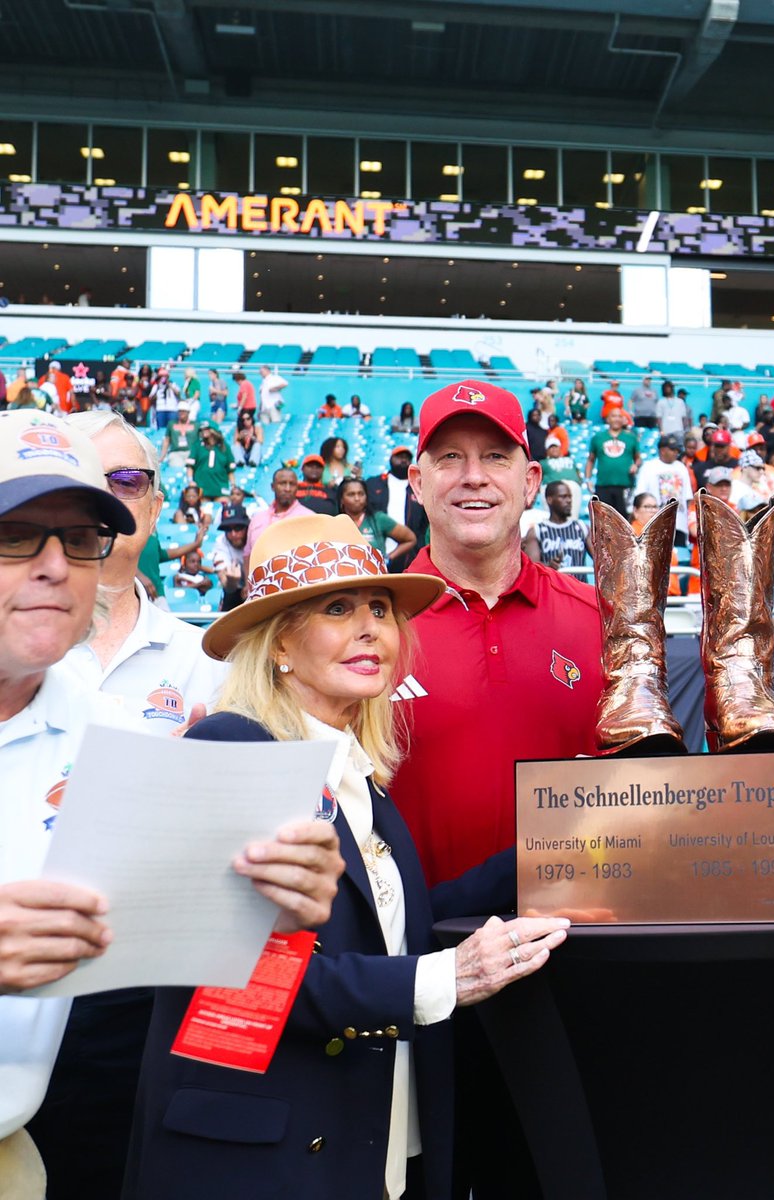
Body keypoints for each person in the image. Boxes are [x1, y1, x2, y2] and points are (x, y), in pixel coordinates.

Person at [122, 513, 569, 1200]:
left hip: (369, 1150)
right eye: (338, 609)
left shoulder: (361, 779)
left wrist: (550, 852)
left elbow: (389, 932)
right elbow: (237, 976)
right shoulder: (227, 747)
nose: (370, 629)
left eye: (381, 609)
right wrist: (444, 978)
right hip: (264, 1166)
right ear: (279, 643)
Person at [0, 410, 340, 1194]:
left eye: (79, 538)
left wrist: (274, 898)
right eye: (16, 535)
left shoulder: (116, 736)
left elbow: (181, 931)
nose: (55, 565)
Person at [390, 379, 602, 1199]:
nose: (473, 476)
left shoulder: (597, 618)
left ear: (531, 479)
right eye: (449, 458)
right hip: (414, 978)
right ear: (416, 482)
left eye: (495, 457)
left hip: (564, 979)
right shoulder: (369, 624)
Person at [366, 445, 429, 573]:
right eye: (399, 457)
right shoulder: (374, 483)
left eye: (407, 457)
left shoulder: (419, 487)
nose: (403, 460)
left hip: (411, 552)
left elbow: (425, 521)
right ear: (390, 459)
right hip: (379, 551)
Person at [337, 477, 417, 565]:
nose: (357, 498)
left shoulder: (378, 519)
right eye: (351, 494)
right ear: (341, 499)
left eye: (361, 494)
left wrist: (388, 559)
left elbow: (410, 539)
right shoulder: (335, 523)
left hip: (376, 572)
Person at [633, 434, 693, 550]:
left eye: (677, 450)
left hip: (679, 524)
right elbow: (640, 496)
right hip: (656, 524)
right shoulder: (649, 467)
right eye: (673, 450)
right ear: (662, 450)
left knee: (679, 555)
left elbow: (688, 498)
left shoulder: (681, 467)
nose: (676, 453)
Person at [522, 480, 591, 571]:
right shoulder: (537, 531)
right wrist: (548, 566)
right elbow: (531, 568)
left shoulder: (582, 528)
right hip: (551, 580)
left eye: (570, 497)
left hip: (578, 580)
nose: (569, 500)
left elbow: (602, 560)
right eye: (563, 497)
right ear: (549, 500)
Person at [586, 406, 640, 520]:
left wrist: (636, 465)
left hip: (625, 485)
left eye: (619, 416)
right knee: (603, 520)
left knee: (624, 520)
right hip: (603, 485)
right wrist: (588, 479)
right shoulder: (598, 438)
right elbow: (591, 460)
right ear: (608, 419)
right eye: (613, 416)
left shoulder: (631, 438)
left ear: (623, 419)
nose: (616, 419)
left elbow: (638, 458)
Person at [246, 467, 316, 555]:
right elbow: (247, 554)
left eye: (292, 484)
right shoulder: (257, 520)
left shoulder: (309, 518)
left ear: (297, 488)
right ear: (273, 487)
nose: (287, 489)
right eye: (282, 483)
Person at [211, 502, 249, 611]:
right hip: (234, 594)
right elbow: (227, 585)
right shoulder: (221, 543)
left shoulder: (255, 536)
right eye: (228, 529)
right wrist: (232, 581)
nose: (233, 534)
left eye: (238, 528)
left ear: (246, 527)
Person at [188, 423, 236, 501]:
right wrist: (190, 481)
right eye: (202, 430)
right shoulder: (197, 446)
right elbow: (190, 466)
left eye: (206, 429)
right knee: (203, 506)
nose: (204, 431)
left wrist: (233, 484)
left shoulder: (224, 447)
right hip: (202, 485)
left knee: (223, 504)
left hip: (220, 485)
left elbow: (230, 470)